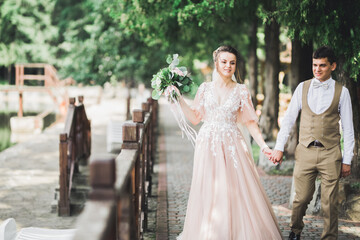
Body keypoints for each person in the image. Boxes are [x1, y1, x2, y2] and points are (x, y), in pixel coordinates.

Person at [169, 45, 282, 240]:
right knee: (209, 189)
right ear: (216, 63)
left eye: (232, 63)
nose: (228, 66)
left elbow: (250, 122)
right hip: (208, 145)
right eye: (224, 62)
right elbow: (196, 118)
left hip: (232, 146)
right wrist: (178, 98)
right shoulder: (204, 88)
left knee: (236, 189)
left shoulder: (241, 90)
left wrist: (263, 145)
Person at [270, 46, 355, 240]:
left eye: (322, 65)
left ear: (332, 66)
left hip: (330, 153)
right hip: (305, 151)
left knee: (330, 202)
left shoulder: (342, 92)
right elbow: (289, 119)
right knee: (301, 199)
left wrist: (347, 159)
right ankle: (295, 230)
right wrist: (279, 147)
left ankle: (329, 237)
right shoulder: (303, 87)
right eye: (314, 65)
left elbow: (349, 129)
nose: (317, 69)